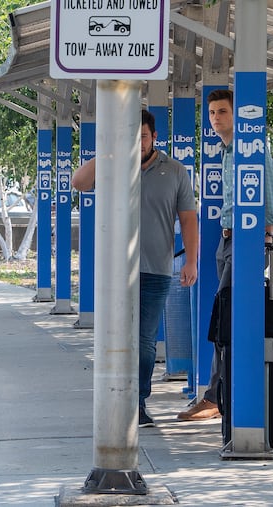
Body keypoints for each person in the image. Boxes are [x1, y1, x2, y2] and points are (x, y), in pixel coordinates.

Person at [72, 109, 199, 428]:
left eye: (142, 136)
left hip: (156, 270)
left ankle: (138, 401)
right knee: (115, 335)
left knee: (143, 340)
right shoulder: (114, 164)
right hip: (115, 272)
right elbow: (79, 182)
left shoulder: (175, 171)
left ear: (154, 137)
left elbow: (187, 219)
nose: (137, 142)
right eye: (131, 136)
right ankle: (115, 397)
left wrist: (192, 261)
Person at [177, 88, 273, 421]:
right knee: (225, 317)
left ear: (236, 115)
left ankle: (216, 397)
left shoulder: (252, 150)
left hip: (245, 244)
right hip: (226, 242)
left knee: (226, 318)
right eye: (212, 113)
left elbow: (269, 200)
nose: (215, 118)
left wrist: (264, 238)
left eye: (222, 112)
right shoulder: (226, 151)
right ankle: (219, 394)